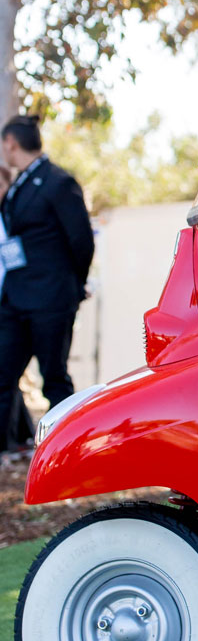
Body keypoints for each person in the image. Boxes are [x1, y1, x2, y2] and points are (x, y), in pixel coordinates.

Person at [0, 115, 94, 447]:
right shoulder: (18, 185)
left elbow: (82, 241)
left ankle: (65, 448)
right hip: (15, 298)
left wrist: (73, 285)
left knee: (54, 378)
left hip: (51, 297)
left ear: (11, 142)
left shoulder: (57, 181)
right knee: (3, 372)